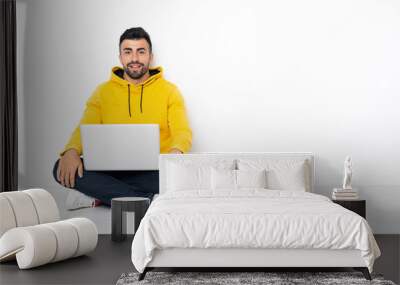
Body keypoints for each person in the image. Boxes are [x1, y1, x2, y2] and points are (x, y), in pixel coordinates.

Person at [53, 27, 192, 209]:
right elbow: (84, 127)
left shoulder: (169, 91)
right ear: (120, 57)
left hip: (153, 172)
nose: (134, 58)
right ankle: (148, 201)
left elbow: (182, 131)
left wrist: (176, 152)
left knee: (183, 179)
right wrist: (71, 151)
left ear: (150, 57)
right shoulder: (103, 92)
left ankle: (104, 196)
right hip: (111, 170)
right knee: (59, 166)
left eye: (141, 52)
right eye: (128, 52)